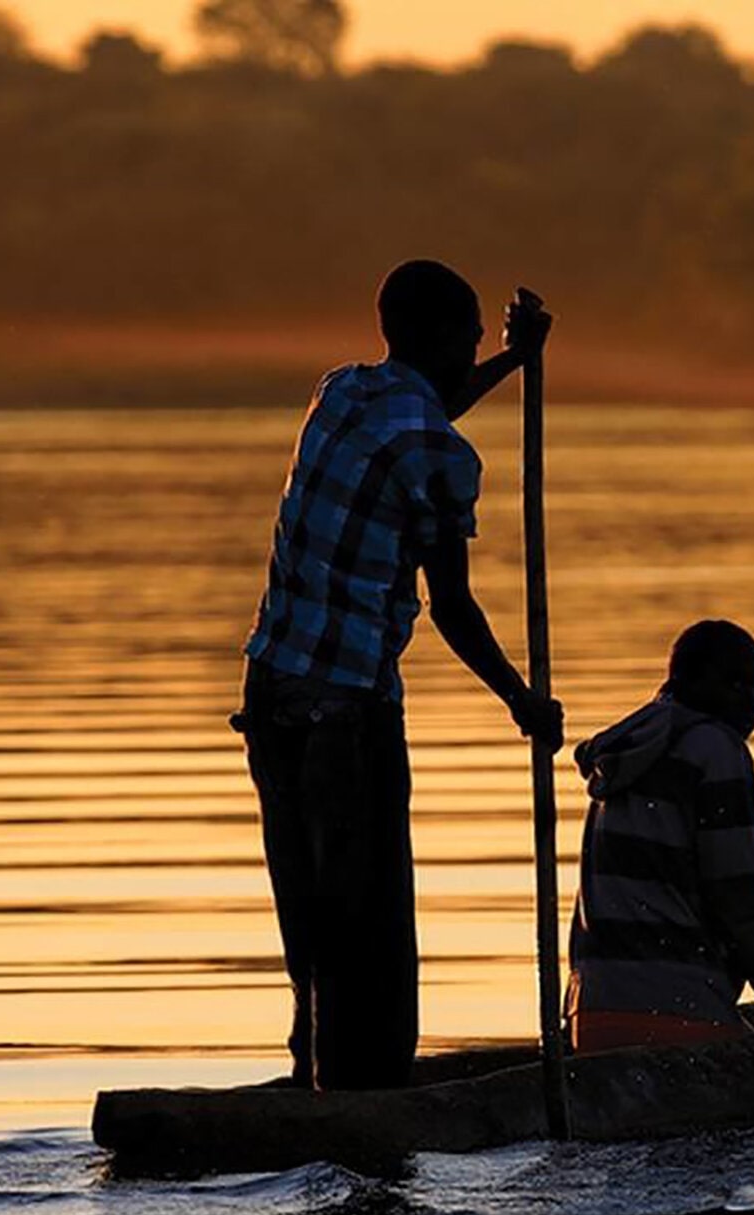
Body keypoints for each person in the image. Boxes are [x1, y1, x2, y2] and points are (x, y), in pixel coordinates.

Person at [237, 259, 564, 1090]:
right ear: (441, 338)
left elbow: (424, 413)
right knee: (368, 927)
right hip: (345, 712)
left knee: (313, 918)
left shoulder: (344, 392)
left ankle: (315, 1075)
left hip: (271, 692)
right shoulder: (436, 451)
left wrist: (513, 361)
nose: (476, 352)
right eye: (473, 341)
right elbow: (452, 605)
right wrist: (522, 701)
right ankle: (361, 1100)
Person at [566, 620, 754, 1061]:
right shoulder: (715, 748)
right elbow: (736, 904)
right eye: (735, 684)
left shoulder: (623, 756)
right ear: (686, 681)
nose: (752, 703)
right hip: (679, 1012)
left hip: (591, 1017)